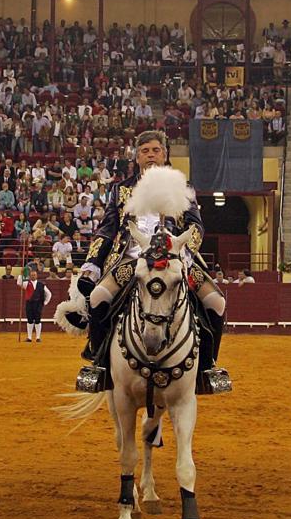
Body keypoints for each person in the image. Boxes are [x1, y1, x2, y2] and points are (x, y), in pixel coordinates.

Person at [75, 130, 230, 394]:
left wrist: (184, 251)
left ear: (165, 154)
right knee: (99, 297)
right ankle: (99, 366)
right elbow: (107, 229)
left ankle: (207, 367)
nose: (150, 155)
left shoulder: (184, 188)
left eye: (156, 150)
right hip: (132, 260)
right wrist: (92, 264)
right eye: (145, 151)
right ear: (136, 157)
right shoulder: (120, 189)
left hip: (176, 260)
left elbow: (196, 227)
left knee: (217, 302)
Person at [19, 267, 52, 343]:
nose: (33, 276)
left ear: (36, 276)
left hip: (38, 304)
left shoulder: (41, 284)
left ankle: (38, 337)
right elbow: (19, 283)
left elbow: (49, 294)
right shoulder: (26, 283)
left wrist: (45, 302)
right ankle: (29, 337)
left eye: (34, 275)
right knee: (30, 320)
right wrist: (21, 274)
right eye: (32, 275)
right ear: (30, 276)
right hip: (29, 303)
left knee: (38, 320)